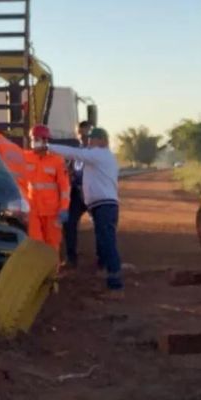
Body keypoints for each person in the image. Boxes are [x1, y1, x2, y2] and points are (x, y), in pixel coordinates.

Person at [48, 127, 123, 296]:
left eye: (93, 139)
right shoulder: (100, 157)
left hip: (104, 205)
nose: (89, 142)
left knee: (108, 243)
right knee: (105, 241)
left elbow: (73, 153)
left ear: (102, 141)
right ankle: (108, 273)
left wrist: (47, 147)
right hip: (102, 205)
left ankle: (116, 285)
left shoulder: (99, 154)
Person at [26, 125, 70, 251]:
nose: (33, 142)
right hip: (33, 210)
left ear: (45, 140)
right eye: (32, 139)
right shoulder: (26, 157)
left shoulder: (57, 161)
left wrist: (64, 208)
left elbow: (64, 187)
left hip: (53, 212)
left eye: (36, 138)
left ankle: (52, 271)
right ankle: (38, 270)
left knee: (52, 244)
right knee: (36, 245)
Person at [64, 121, 93, 268]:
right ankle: (71, 258)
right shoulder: (76, 153)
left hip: (93, 193)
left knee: (101, 226)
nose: (83, 137)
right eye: (80, 134)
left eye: (86, 134)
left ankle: (104, 260)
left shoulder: (97, 152)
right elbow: (70, 170)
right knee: (69, 223)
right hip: (77, 192)